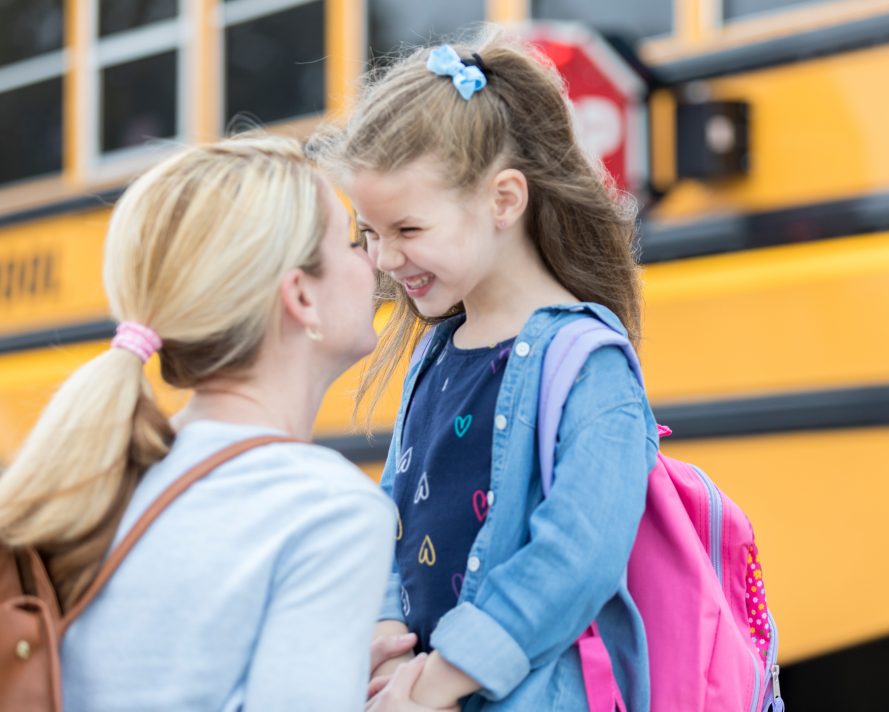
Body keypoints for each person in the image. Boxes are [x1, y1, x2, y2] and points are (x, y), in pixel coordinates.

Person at [311, 30, 659, 711]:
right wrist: (386, 625)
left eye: (408, 231)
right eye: (371, 234)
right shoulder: (436, 351)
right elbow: (398, 511)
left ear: (504, 200)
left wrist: (445, 677)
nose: (383, 260)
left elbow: (576, 560)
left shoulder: (589, 364)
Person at [0, 135, 396, 710]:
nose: (378, 259)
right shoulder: (328, 511)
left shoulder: (95, 481)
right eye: (354, 241)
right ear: (301, 297)